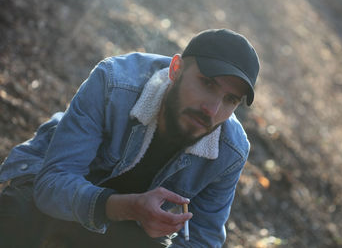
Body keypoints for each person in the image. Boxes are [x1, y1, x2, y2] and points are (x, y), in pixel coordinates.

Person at [0, 28, 259, 247]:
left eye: (230, 99)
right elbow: (52, 186)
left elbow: (202, 239)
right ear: (176, 69)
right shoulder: (114, 83)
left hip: (129, 227)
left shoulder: (230, 152)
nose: (212, 109)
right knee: (15, 217)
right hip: (50, 190)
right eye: (208, 84)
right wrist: (127, 207)